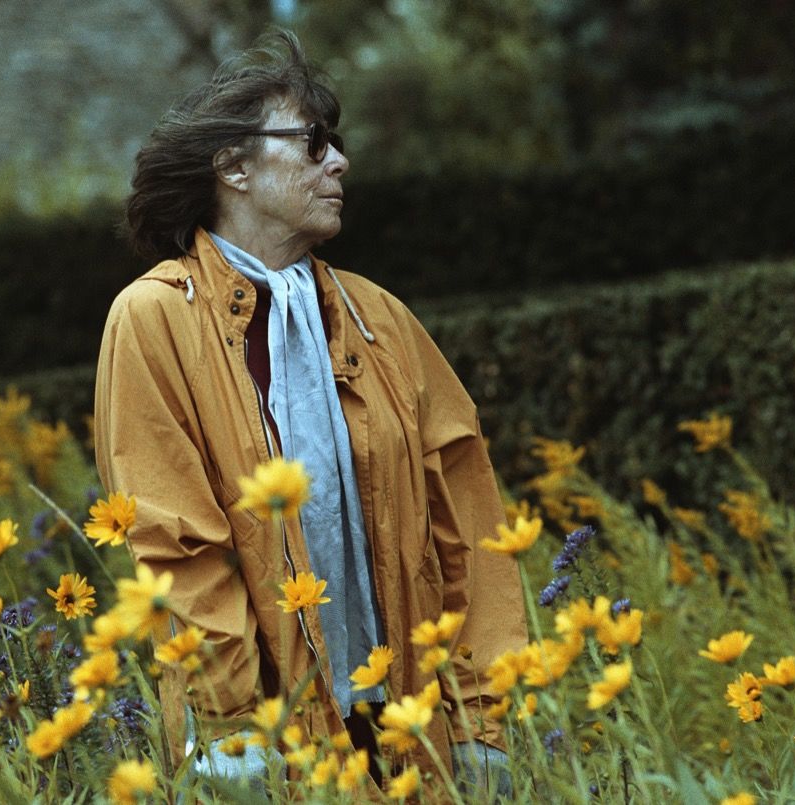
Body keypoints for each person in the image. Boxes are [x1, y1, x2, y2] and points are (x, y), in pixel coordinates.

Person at [94, 30, 527, 796]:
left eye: (336, 143)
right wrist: (230, 729)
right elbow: (174, 541)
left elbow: (467, 515)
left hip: (408, 719)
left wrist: (479, 714)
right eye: (313, 142)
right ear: (234, 167)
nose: (339, 162)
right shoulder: (153, 318)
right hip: (267, 736)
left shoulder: (378, 317)